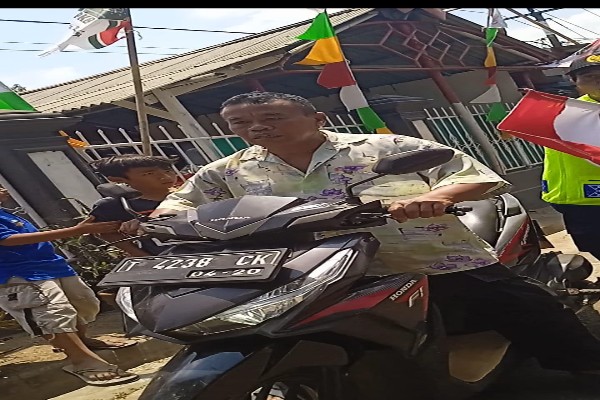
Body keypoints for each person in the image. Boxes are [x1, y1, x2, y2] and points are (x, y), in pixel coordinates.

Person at [123, 91, 600, 374]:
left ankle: (582, 365)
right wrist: (154, 221)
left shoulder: (384, 147)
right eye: (241, 123)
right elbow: (180, 204)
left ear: (317, 119)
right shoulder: (228, 170)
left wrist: (438, 196)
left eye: (271, 118)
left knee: (525, 308)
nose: (257, 129)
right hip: (309, 271)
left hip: (428, 257)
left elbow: (474, 175)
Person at [0, 186, 139, 386]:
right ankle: (80, 360)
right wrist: (77, 230)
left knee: (84, 304)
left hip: (52, 266)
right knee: (52, 315)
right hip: (21, 274)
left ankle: (82, 342)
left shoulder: (5, 214)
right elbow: (7, 240)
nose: (4, 189)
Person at [541, 52, 600, 262]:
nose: (598, 80)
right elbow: (508, 133)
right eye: (589, 76)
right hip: (571, 199)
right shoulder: (558, 112)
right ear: (575, 81)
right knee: (592, 245)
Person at [89, 154, 179, 257]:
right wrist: (141, 255)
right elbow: (107, 233)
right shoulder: (115, 206)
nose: (166, 177)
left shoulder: (187, 196)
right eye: (149, 173)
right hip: (168, 258)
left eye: (167, 171)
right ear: (117, 179)